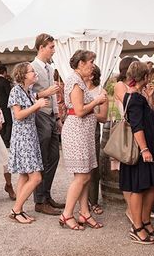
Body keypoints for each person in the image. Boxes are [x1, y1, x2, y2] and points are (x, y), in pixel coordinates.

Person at [120, 61, 154, 245]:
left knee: (153, 184)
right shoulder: (133, 98)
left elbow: (146, 117)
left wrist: (149, 98)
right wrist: (145, 150)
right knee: (139, 187)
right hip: (142, 147)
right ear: (145, 77)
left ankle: (146, 221)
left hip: (150, 144)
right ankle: (137, 226)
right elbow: (137, 127)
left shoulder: (139, 96)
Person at [60, 50, 108, 230]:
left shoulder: (78, 80)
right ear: (80, 63)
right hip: (76, 132)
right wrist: (97, 101)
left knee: (86, 175)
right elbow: (79, 110)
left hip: (84, 133)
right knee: (81, 176)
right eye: (91, 61)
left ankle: (84, 213)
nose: (93, 65)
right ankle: (66, 214)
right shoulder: (74, 81)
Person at [7, 62, 48, 224]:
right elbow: (18, 115)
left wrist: (36, 105)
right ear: (23, 75)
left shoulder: (28, 91)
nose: (35, 73)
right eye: (32, 71)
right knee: (36, 178)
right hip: (23, 137)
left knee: (24, 175)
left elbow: (28, 112)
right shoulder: (16, 90)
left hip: (30, 136)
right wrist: (37, 105)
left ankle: (19, 209)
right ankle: (16, 210)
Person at [30, 33, 64, 215]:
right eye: (51, 47)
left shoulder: (50, 68)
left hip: (51, 116)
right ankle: (40, 201)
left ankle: (47, 195)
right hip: (39, 116)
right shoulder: (30, 67)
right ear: (41, 47)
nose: (53, 50)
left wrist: (58, 117)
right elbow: (24, 94)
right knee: (42, 158)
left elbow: (54, 95)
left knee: (54, 157)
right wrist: (43, 93)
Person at [113, 56, 139, 209]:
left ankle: (137, 209)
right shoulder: (120, 85)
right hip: (127, 131)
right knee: (126, 170)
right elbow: (130, 104)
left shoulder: (134, 85)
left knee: (136, 170)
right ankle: (131, 209)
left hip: (136, 128)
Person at [85, 64, 109, 216]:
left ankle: (93, 201)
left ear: (92, 75)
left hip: (93, 132)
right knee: (80, 168)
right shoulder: (78, 89)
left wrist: (85, 111)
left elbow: (103, 117)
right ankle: (82, 201)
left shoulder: (101, 92)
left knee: (93, 168)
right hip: (78, 132)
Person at [0, 65, 13, 147]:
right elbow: (9, 94)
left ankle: (2, 139)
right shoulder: (5, 82)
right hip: (6, 104)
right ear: (5, 72)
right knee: (9, 122)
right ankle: (6, 139)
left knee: (2, 122)